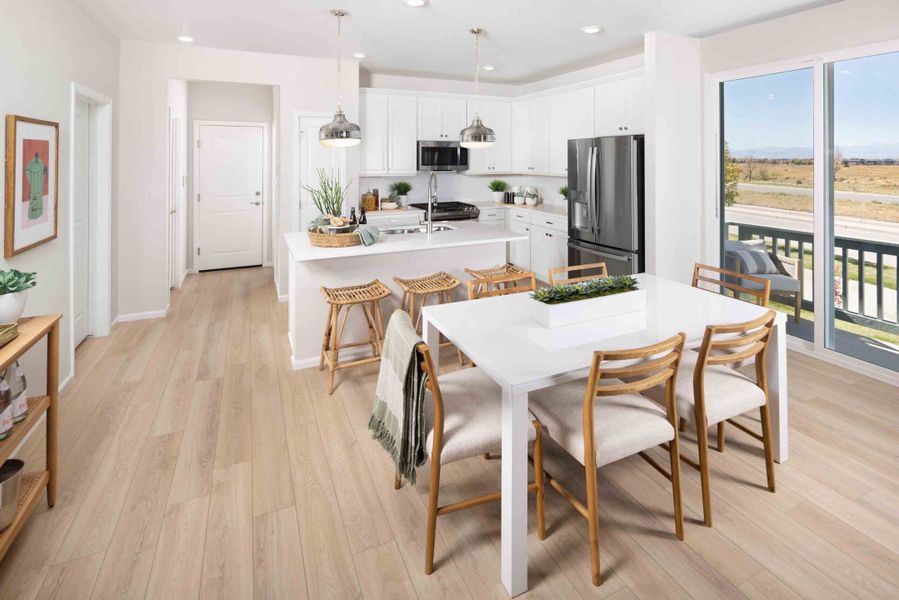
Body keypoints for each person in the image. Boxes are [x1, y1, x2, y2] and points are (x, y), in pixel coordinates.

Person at [25, 151, 47, 219]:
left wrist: (44, 171)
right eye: (36, 156)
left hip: (39, 186)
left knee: (39, 199)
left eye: (37, 156)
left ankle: (39, 212)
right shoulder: (31, 164)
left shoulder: (41, 163)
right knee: (34, 200)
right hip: (34, 186)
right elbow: (27, 171)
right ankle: (33, 214)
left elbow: (44, 169)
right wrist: (30, 180)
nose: (37, 157)